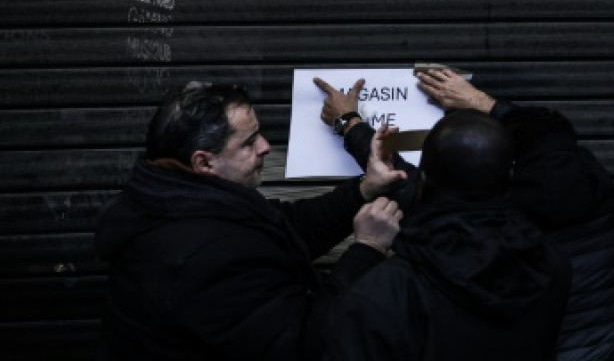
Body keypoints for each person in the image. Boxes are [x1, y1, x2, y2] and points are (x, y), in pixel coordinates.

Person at [318, 71, 614, 361]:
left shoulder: (423, 265)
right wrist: (483, 103)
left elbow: (411, 184)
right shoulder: (563, 242)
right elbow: (548, 138)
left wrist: (350, 123)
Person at [95, 81, 405, 360]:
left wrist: (365, 190)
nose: (266, 147)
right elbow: (307, 343)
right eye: (249, 142)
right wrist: (368, 249)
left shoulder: (180, 201)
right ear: (204, 161)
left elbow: (285, 229)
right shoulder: (207, 258)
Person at [323, 108, 572, 360]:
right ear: (509, 178)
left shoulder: (385, 292)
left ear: (422, 183)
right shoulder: (551, 265)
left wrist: (365, 250)